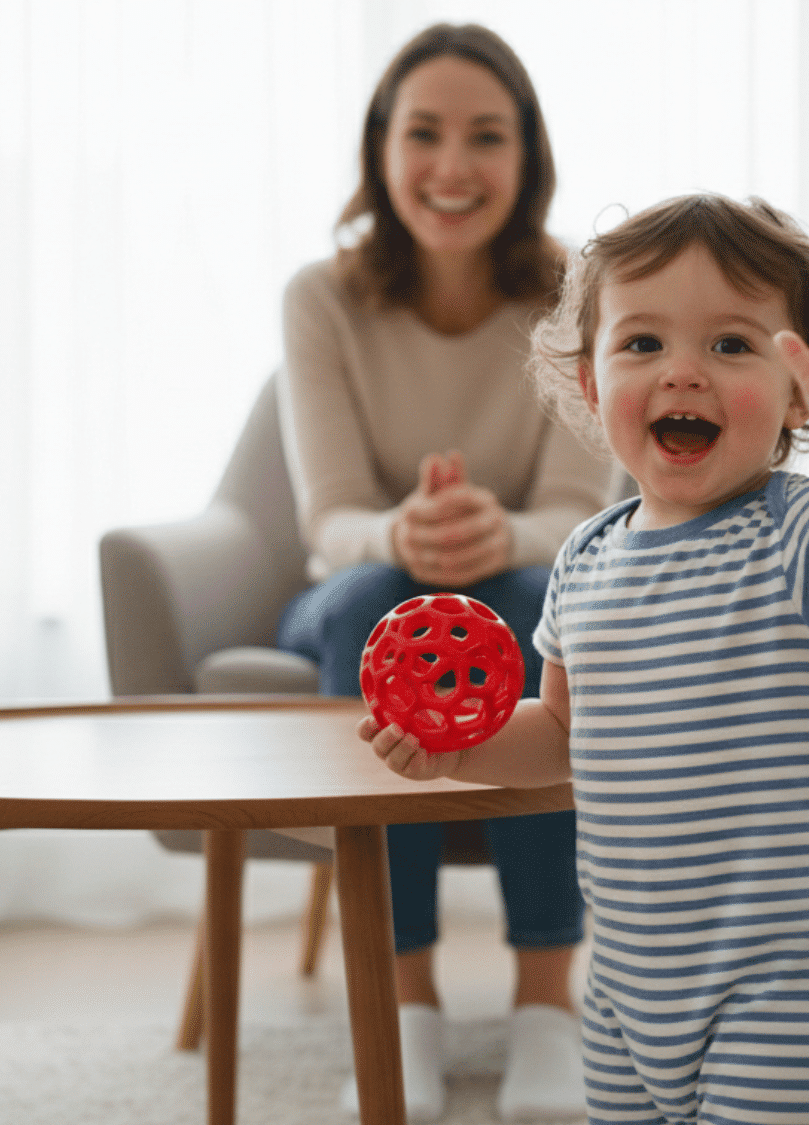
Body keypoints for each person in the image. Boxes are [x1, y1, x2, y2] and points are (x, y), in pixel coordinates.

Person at [359, 193, 809, 1125]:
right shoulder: (586, 559)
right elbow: (559, 733)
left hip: (793, 980)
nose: (684, 372)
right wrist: (460, 752)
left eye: (731, 345)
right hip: (630, 986)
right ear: (593, 386)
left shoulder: (804, 529)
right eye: (642, 345)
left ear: (802, 387)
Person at [273, 23, 612, 1124]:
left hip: (518, 584)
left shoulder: (577, 295)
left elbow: (578, 514)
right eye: (422, 134)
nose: (452, 167)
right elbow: (327, 523)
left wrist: (494, 537)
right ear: (381, 150)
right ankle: (401, 1004)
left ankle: (545, 1008)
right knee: (377, 603)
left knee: (531, 608)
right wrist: (404, 538)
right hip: (355, 590)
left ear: (526, 158)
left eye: (485, 136)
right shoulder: (320, 298)